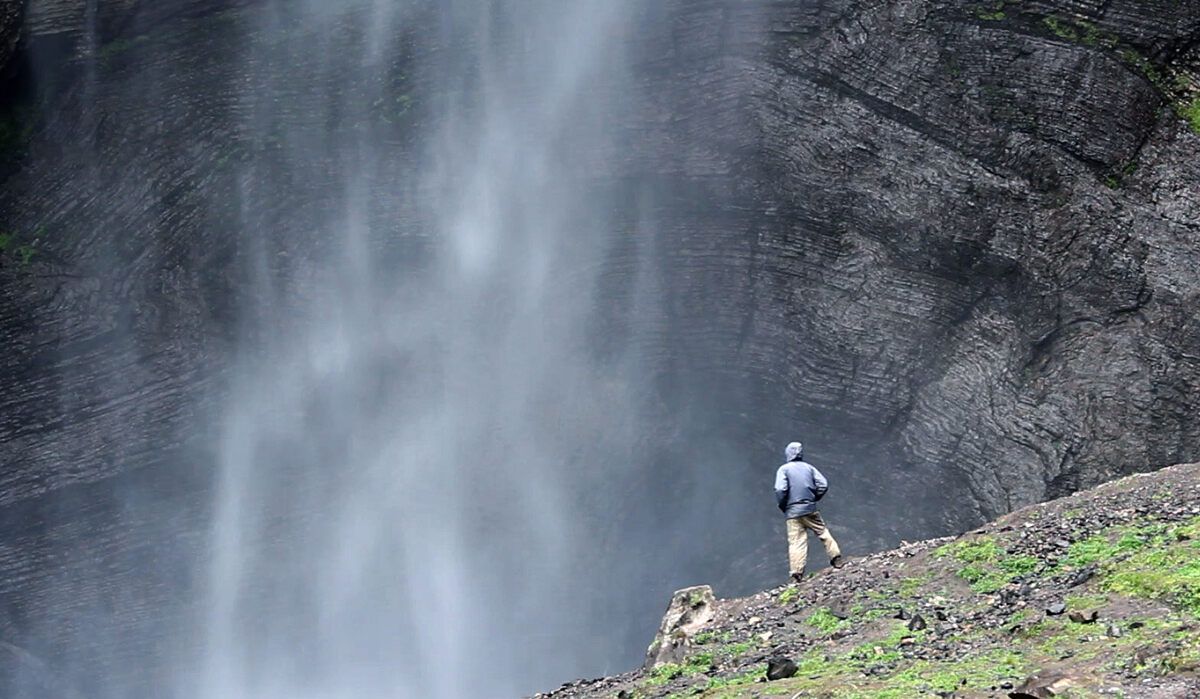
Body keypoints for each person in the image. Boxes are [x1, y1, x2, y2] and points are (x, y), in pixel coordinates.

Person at [774, 441, 843, 583]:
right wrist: (813, 498)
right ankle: (836, 558)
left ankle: (796, 574)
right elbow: (823, 484)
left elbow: (780, 489)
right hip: (810, 509)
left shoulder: (784, 469)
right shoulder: (809, 468)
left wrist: (784, 505)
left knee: (796, 542)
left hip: (792, 513)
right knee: (823, 532)